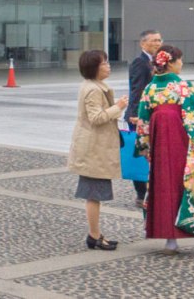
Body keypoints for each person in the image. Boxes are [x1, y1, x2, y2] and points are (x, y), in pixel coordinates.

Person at [136, 43, 194, 253]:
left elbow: (143, 121)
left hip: (160, 146)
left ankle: (170, 241)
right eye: (180, 60)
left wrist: (145, 148)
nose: (181, 64)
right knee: (193, 184)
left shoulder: (150, 88)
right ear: (171, 63)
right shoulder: (182, 86)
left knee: (164, 186)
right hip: (183, 144)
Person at [68, 48, 128, 250]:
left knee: (94, 193)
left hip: (94, 149)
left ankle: (95, 234)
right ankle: (94, 235)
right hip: (93, 150)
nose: (108, 66)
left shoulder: (94, 86)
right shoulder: (93, 89)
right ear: (94, 67)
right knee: (93, 195)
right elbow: (96, 118)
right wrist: (118, 107)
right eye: (104, 63)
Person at [126, 28, 161, 212]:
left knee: (147, 154)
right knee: (140, 154)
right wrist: (135, 114)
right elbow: (136, 89)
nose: (157, 43)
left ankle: (146, 191)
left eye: (159, 40)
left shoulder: (153, 62)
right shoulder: (140, 62)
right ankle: (141, 194)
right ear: (143, 43)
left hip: (148, 115)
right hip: (138, 116)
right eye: (154, 40)